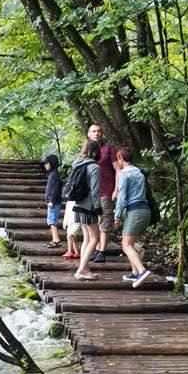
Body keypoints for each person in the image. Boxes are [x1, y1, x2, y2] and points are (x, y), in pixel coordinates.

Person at [112, 146, 155, 287]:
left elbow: (122, 196)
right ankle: (134, 272)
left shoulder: (124, 173)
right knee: (132, 242)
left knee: (126, 245)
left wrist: (117, 217)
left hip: (135, 211)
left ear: (120, 158)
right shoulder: (140, 172)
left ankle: (142, 271)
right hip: (145, 211)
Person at [70, 140, 103, 280]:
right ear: (95, 152)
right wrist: (99, 211)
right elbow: (95, 192)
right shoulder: (94, 167)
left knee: (87, 238)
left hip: (78, 205)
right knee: (96, 238)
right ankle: (82, 270)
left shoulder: (77, 164)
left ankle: (83, 267)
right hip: (89, 207)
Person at [86, 123, 118, 262]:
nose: (96, 134)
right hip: (89, 193)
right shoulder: (86, 150)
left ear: (102, 133)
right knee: (93, 221)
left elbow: (118, 170)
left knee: (105, 221)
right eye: (93, 131)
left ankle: (102, 251)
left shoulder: (109, 149)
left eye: (99, 131)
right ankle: (97, 249)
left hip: (106, 190)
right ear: (88, 134)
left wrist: (116, 189)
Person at [43, 154, 62, 248]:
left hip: (54, 202)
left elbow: (55, 189)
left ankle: (57, 240)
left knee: (52, 221)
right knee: (51, 221)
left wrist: (51, 200)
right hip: (52, 202)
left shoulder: (54, 174)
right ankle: (54, 239)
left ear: (51, 163)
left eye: (46, 163)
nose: (45, 165)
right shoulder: (53, 174)